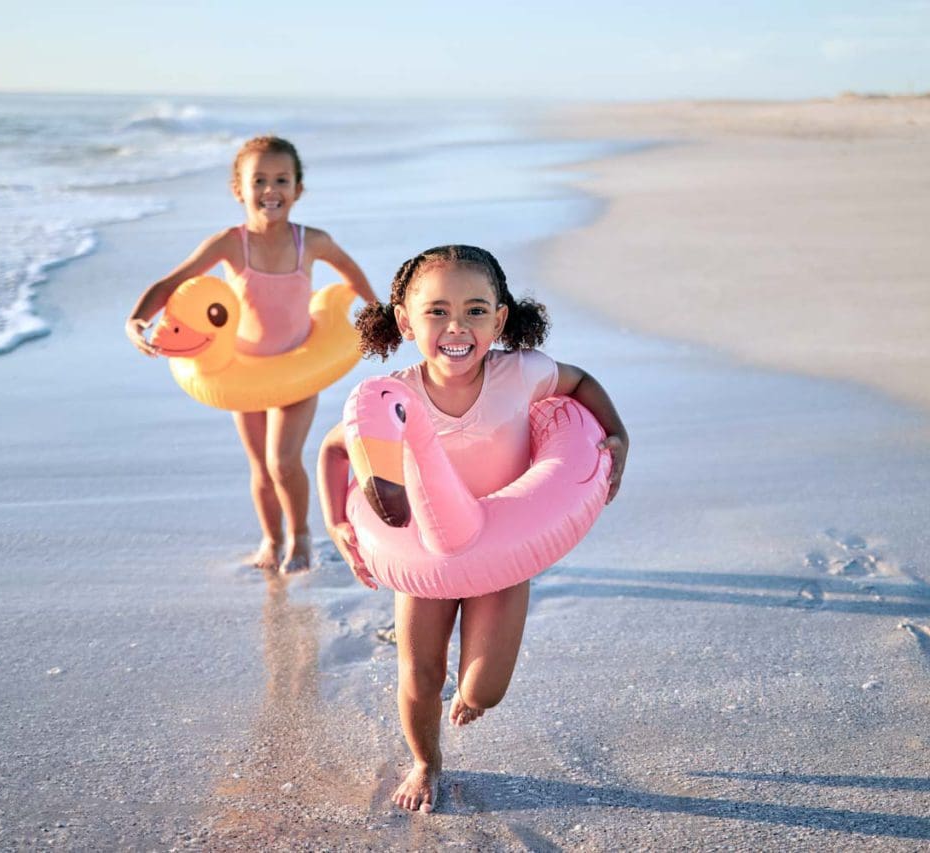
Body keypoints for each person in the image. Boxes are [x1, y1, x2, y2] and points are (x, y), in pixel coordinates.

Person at [318, 244, 628, 813]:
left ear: (500, 319)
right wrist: (336, 520)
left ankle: (470, 697)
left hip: (505, 552)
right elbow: (336, 449)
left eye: (476, 310)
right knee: (419, 670)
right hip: (423, 555)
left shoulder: (523, 374)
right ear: (405, 320)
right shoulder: (393, 398)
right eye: (436, 311)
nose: (456, 326)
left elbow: (580, 384)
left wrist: (618, 434)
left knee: (484, 689)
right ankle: (425, 762)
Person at [126, 136, 376, 573]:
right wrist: (137, 320)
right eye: (258, 180)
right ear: (238, 189)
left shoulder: (311, 242)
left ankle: (300, 540)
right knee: (260, 467)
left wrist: (378, 311)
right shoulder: (229, 243)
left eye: (281, 179)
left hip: (299, 367)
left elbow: (350, 271)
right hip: (245, 372)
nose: (270, 189)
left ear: (298, 189)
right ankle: (270, 539)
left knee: (283, 461)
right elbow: (172, 283)